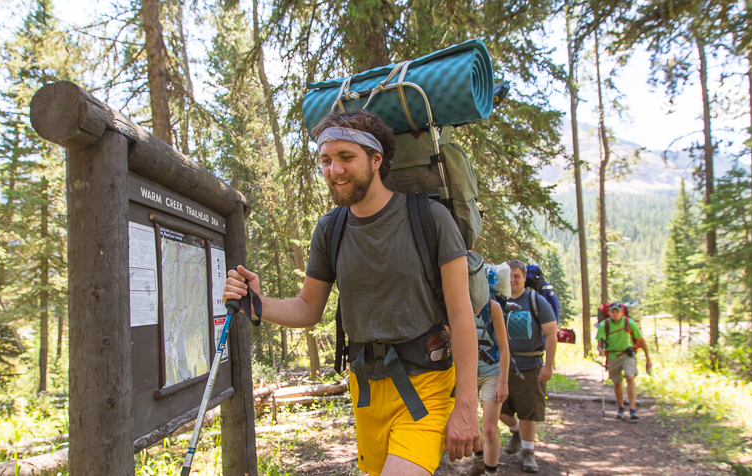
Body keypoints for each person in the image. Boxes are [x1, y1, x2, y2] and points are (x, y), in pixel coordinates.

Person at [222, 109, 481, 476]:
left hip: (427, 384)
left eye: (346, 157)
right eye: (325, 160)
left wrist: (467, 405)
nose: (334, 170)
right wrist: (256, 304)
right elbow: (308, 308)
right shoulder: (330, 230)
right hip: (366, 392)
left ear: (376, 160)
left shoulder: (430, 218)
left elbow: (460, 313)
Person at [498, 259, 557, 473]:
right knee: (497, 409)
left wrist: (548, 365)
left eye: (517, 276)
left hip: (530, 365)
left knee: (528, 413)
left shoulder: (535, 300)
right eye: (510, 276)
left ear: (525, 278)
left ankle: (528, 454)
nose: (513, 280)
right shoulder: (497, 300)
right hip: (500, 367)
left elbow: (551, 334)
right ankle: (515, 431)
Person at [466, 280, 511, 475]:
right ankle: (479, 460)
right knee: (471, 426)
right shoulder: (458, 303)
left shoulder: (493, 308)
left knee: (490, 429)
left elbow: (504, 348)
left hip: (492, 372)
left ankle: (490, 472)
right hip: (467, 374)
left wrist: (504, 382)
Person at [596, 302, 652, 421]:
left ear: (622, 312)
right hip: (612, 356)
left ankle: (632, 409)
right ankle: (621, 407)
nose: (615, 314)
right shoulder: (604, 325)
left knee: (630, 377)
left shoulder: (629, 323)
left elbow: (641, 340)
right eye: (613, 312)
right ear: (609, 312)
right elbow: (600, 343)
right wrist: (601, 350)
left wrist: (648, 359)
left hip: (627, 354)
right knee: (617, 382)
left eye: (617, 312)